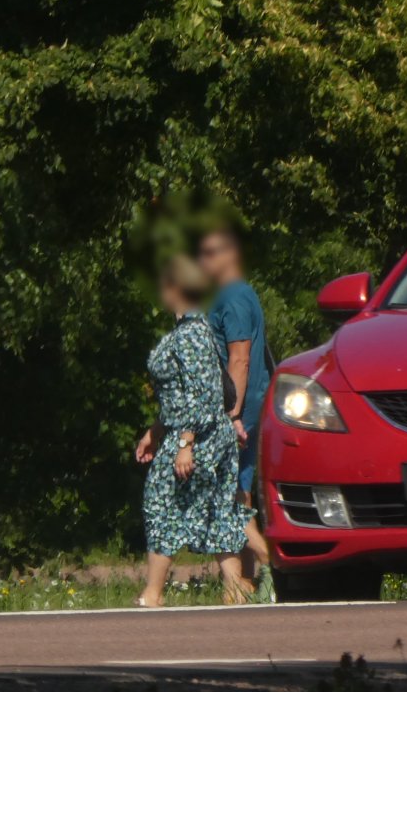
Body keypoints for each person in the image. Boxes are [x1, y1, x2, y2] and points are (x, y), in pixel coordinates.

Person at [133, 255, 269, 607]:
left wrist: (185, 443)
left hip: (200, 435)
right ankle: (242, 583)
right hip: (207, 432)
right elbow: (181, 395)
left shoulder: (192, 333)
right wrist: (155, 432)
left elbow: (201, 394)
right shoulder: (191, 329)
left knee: (161, 501)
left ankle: (153, 593)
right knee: (217, 509)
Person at [196, 226, 271, 508]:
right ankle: (250, 554)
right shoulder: (239, 293)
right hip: (247, 402)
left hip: (240, 406)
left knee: (221, 493)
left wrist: (232, 416)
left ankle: (263, 554)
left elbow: (240, 358)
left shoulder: (233, 297)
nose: (202, 262)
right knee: (238, 489)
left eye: (209, 254)